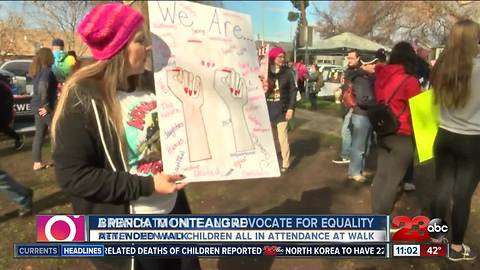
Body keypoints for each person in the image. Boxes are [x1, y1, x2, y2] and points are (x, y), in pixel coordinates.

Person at [51, 3, 188, 269]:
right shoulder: (83, 96)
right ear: (118, 50)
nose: (148, 47)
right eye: (139, 40)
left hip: (173, 214)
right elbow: (73, 176)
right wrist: (147, 186)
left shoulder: (153, 83)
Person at [429, 19, 480, 261]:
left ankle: (436, 236)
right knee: (462, 195)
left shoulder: (440, 67)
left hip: (444, 135)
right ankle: (457, 248)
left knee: (442, 187)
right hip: (473, 140)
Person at [370, 41, 421, 214]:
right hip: (403, 135)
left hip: (384, 132)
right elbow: (417, 112)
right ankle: (381, 218)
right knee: (392, 181)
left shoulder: (380, 78)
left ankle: (375, 214)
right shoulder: (410, 81)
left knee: (381, 176)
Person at [263, 47, 297, 172]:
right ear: (273, 57)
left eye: (283, 57)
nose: (282, 59)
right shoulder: (265, 72)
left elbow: (293, 91)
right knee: (266, 137)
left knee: (282, 137)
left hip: (281, 109)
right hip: (267, 109)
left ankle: (286, 163)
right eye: (280, 57)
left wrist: (290, 108)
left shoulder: (287, 73)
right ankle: (266, 159)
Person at [346, 53, 377, 182]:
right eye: (373, 63)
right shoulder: (361, 79)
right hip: (361, 115)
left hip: (367, 115)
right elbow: (362, 100)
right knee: (359, 146)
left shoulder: (368, 78)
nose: (375, 65)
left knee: (366, 145)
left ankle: (360, 169)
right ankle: (354, 171)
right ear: (365, 64)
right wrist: (375, 102)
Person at [29, 48, 57, 171]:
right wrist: (46, 106)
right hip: (44, 107)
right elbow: (43, 88)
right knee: (57, 132)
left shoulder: (38, 72)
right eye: (52, 55)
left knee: (39, 135)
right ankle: (61, 160)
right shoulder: (46, 71)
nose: (54, 57)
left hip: (37, 106)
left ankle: (37, 163)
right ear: (47, 57)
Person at [332, 49, 361, 165]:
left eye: (352, 58)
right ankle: (351, 154)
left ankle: (346, 155)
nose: (349, 60)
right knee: (350, 130)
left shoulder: (360, 71)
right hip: (346, 104)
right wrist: (340, 89)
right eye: (348, 58)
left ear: (358, 58)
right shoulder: (348, 70)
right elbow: (347, 86)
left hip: (355, 106)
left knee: (346, 130)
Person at [0, 73, 24, 150]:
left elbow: (9, 98)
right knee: (4, 128)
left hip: (4, 111)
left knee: (3, 127)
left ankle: (18, 138)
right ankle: (17, 137)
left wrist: (7, 109)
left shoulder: (3, 86)